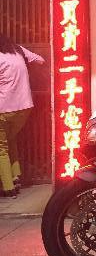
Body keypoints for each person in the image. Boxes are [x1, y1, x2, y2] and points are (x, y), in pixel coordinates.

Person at [0, 34, 45, 197]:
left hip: (3, 109)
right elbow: (40, 60)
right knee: (10, 140)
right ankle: (15, 176)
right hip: (25, 107)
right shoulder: (18, 50)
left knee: (1, 149)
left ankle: (8, 187)